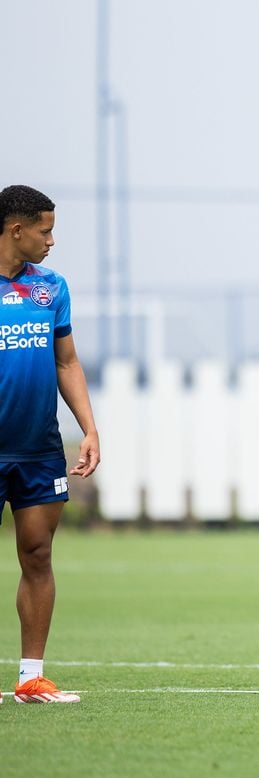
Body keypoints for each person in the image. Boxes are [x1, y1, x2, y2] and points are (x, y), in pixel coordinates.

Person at [0, 185, 100, 704]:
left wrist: (89, 427)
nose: (52, 240)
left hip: (38, 447)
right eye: (45, 229)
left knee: (37, 554)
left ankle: (30, 678)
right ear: (16, 229)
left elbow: (66, 362)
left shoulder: (51, 288)